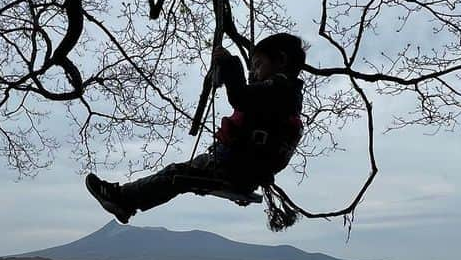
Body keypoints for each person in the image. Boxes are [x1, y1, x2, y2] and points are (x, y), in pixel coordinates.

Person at [85, 32, 306, 223]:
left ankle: (123, 199)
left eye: (258, 64)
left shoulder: (280, 91)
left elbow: (240, 97)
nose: (255, 72)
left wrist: (231, 64)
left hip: (233, 165)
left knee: (176, 175)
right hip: (243, 169)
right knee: (179, 176)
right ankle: (125, 200)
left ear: (281, 60)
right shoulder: (285, 98)